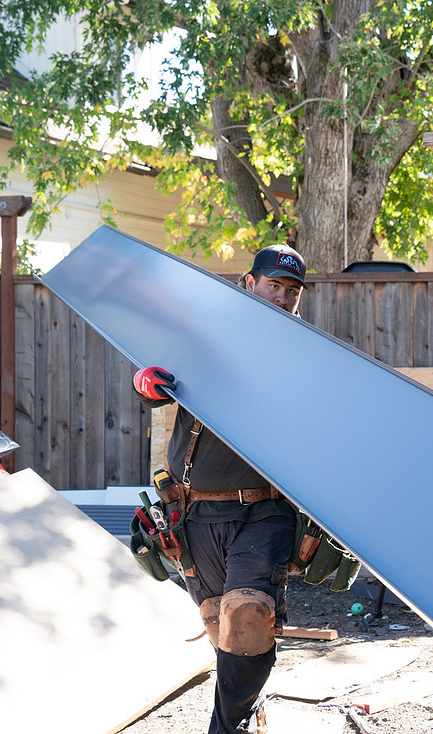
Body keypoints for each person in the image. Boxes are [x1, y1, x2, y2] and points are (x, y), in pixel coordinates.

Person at [132, 244, 307, 734]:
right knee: (219, 623)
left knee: (249, 615)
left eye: (292, 291)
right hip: (196, 514)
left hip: (265, 511)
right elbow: (150, 380)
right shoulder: (200, 340)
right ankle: (248, 712)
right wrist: (146, 381)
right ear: (248, 283)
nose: (284, 297)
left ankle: (226, 729)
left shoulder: (307, 356)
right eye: (275, 285)